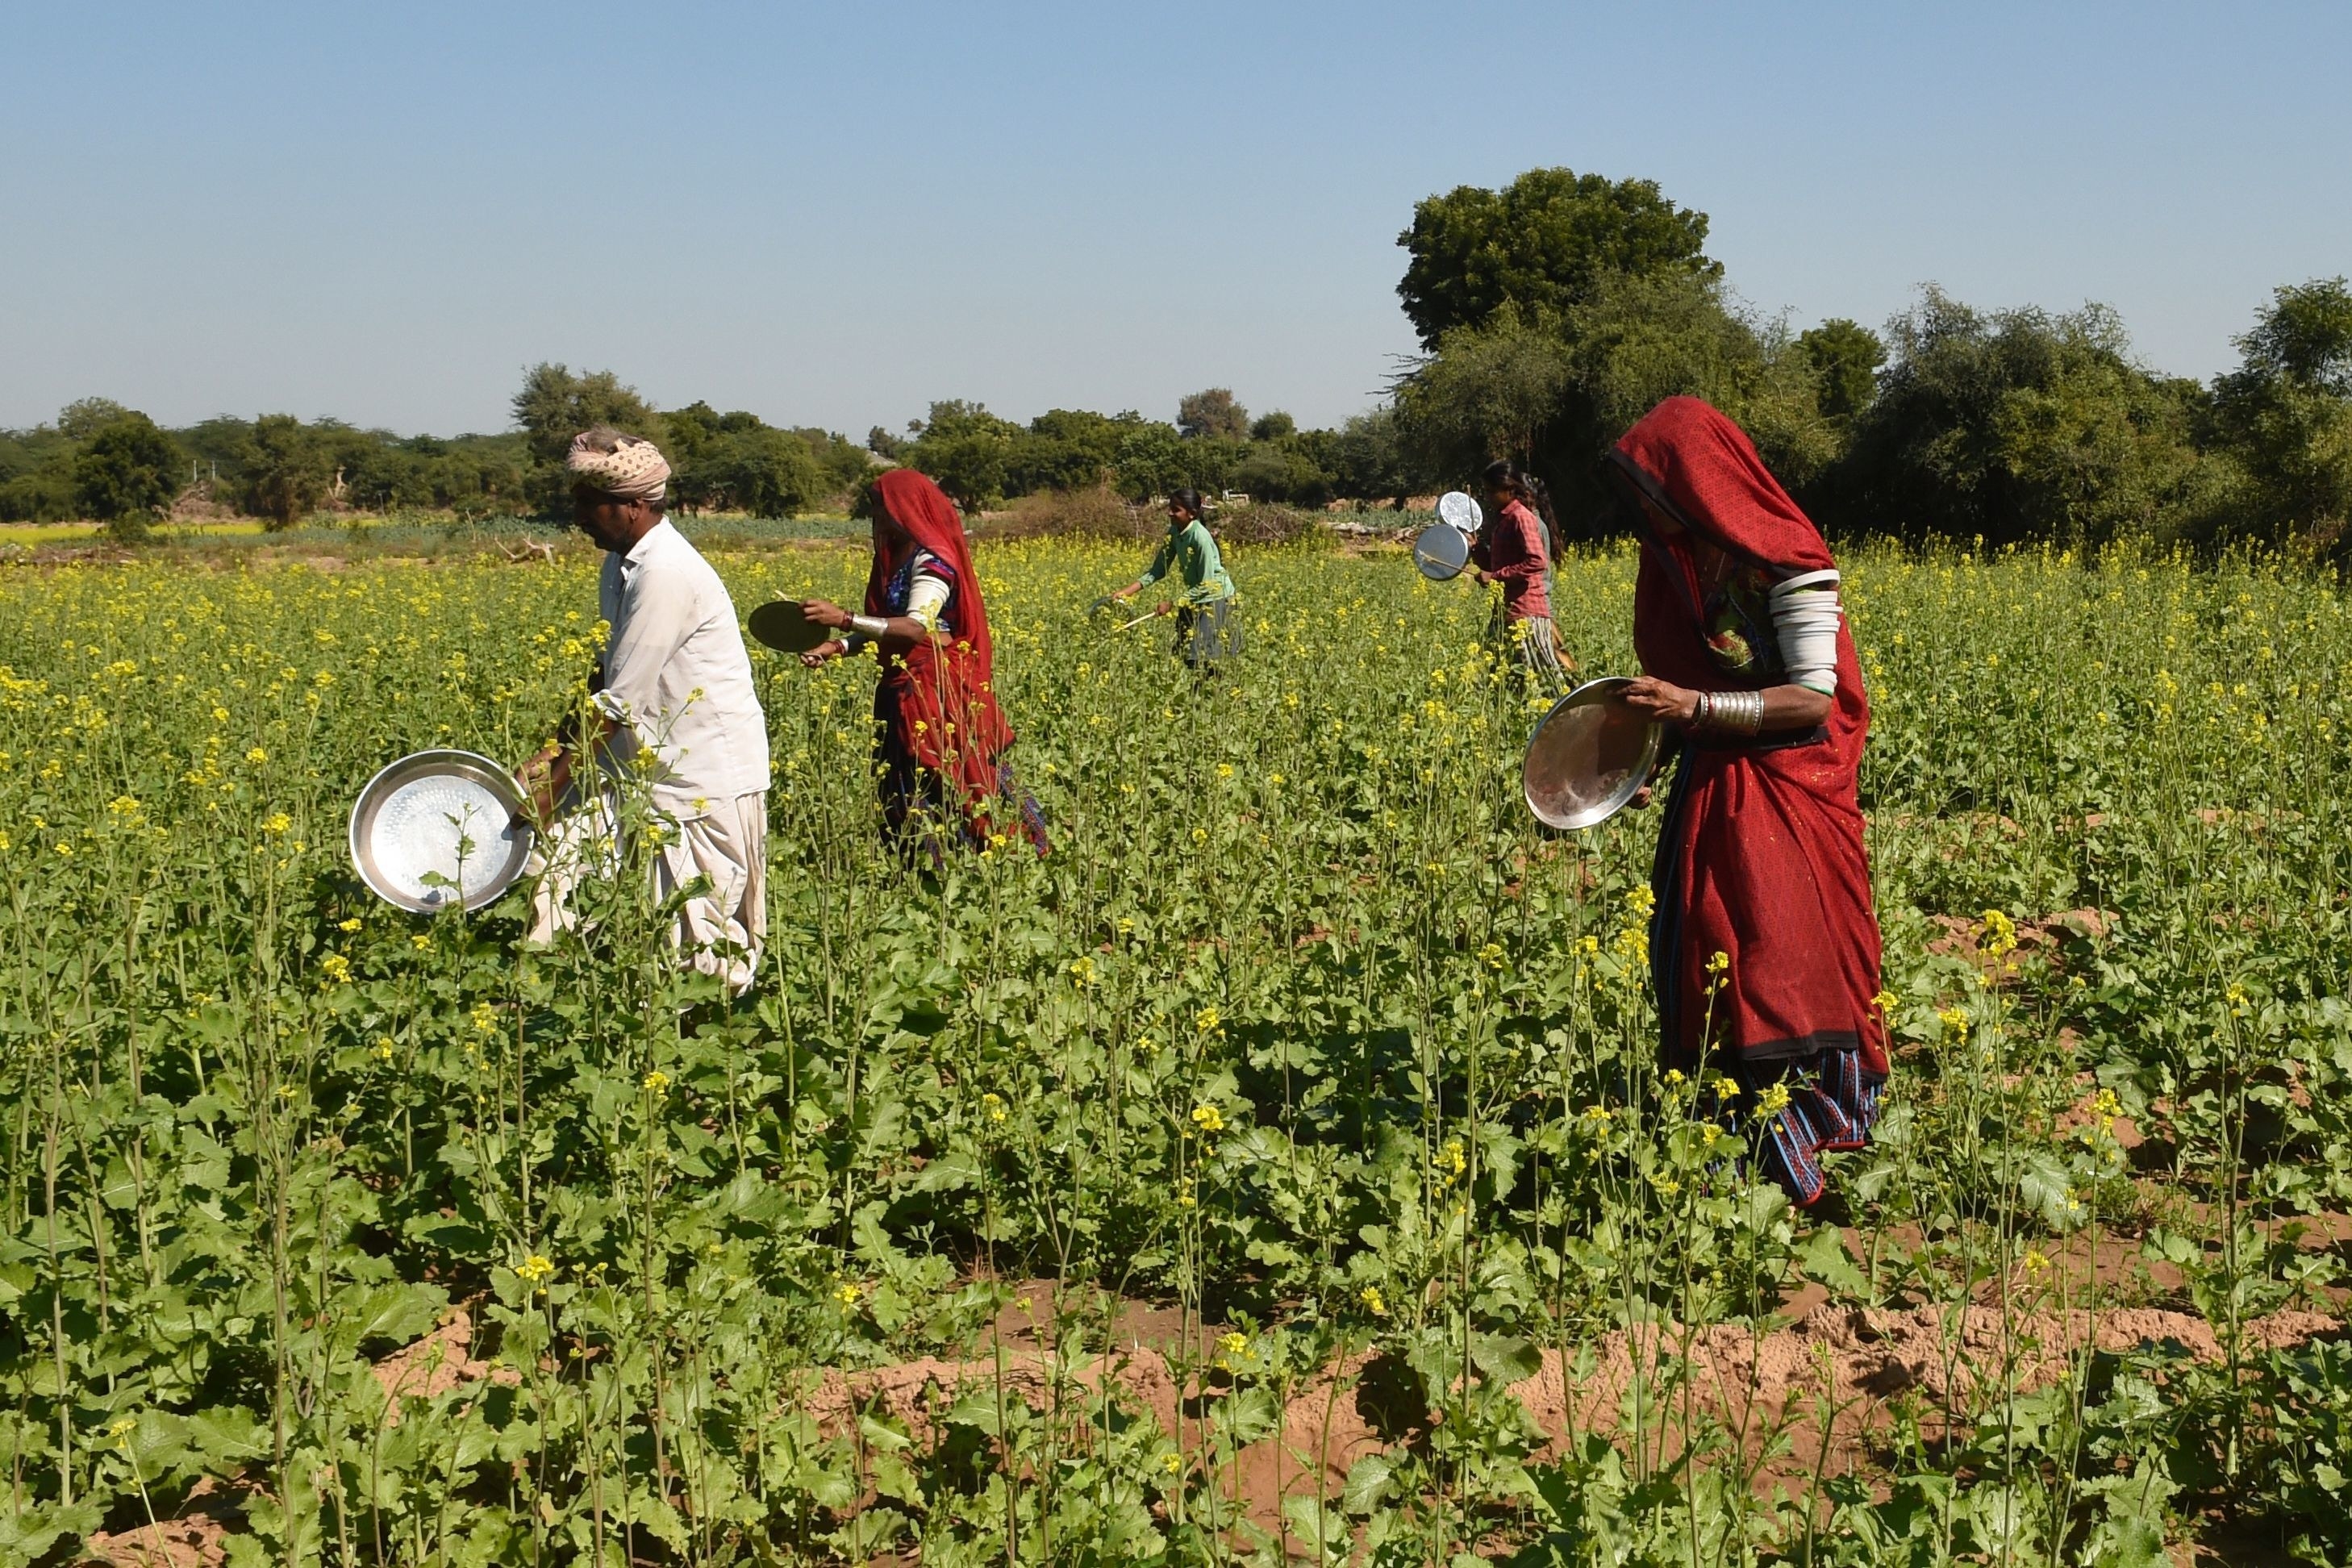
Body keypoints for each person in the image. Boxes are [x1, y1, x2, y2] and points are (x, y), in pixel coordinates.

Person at [1609, 396, 1887, 1207]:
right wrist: (1641, 761)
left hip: (1796, 784)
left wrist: (1693, 713)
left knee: (1782, 954)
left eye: (1661, 490)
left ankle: (1801, 1156)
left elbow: (1810, 701)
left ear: (1703, 481)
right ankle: (1730, 1152)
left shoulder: (1793, 561)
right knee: (1703, 952)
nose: (1652, 514)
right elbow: (1692, 685)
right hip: (1719, 783)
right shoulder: (1695, 567)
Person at [518, 428, 770, 993]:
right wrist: (555, 752)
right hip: (634, 760)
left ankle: (706, 1049)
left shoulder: (665, 574)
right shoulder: (622, 562)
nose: (577, 516)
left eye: (589, 504)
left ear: (632, 506)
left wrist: (548, 795)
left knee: (702, 942)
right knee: (550, 864)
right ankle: (543, 996)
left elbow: (618, 704)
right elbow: (608, 674)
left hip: (696, 774)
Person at [797, 469, 1050, 863]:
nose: (875, 518)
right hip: (901, 687)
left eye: (880, 508)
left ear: (902, 509)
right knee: (906, 785)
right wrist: (837, 647)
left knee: (958, 777)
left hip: (935, 690)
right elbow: (886, 628)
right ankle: (923, 868)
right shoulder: (894, 559)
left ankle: (1007, 855)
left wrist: (844, 618)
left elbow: (915, 628)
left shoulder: (933, 560)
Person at [1106, 488, 1241, 673]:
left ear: (1192, 514)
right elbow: (1158, 569)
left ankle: (1213, 694)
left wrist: (1173, 603)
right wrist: (1126, 593)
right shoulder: (1174, 532)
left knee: (1201, 655)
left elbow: (1208, 583)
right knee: (1182, 650)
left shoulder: (1200, 538)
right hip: (1195, 597)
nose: (1170, 513)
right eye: (1170, 508)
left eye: (1176, 510)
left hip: (1216, 598)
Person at [1471, 460, 1570, 694]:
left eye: (1491, 491)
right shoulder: (1503, 519)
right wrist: (1477, 551)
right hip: (1506, 609)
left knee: (1540, 676)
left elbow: (1537, 560)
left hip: (1526, 611)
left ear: (1509, 490)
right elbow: (1498, 564)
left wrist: (1495, 576)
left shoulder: (1520, 517)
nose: (1487, 497)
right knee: (1499, 671)